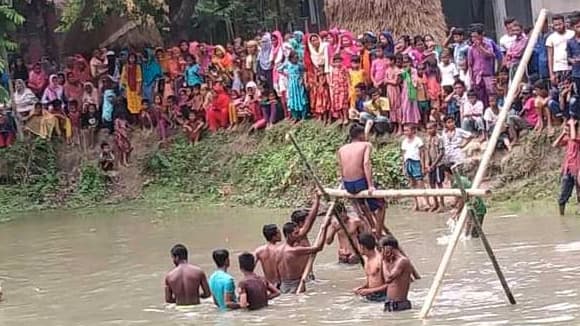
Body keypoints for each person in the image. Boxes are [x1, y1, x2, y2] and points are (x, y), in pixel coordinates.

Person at [337, 124, 386, 239]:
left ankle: (372, 226)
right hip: (360, 182)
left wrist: (343, 184)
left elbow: (341, 168)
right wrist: (370, 186)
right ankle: (378, 232)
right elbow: (366, 164)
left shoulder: (342, 149)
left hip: (348, 184)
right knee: (382, 205)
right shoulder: (366, 145)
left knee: (362, 204)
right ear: (360, 135)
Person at [277, 221, 328, 294]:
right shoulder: (294, 250)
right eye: (296, 233)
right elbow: (319, 248)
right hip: (296, 286)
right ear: (288, 235)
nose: (299, 235)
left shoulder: (277, 250)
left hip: (283, 286)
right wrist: (324, 229)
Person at [380, 235, 413, 312]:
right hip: (391, 304)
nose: (381, 252)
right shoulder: (393, 261)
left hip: (399, 304)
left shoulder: (402, 261)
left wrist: (383, 261)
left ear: (388, 248)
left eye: (382, 249)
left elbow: (388, 279)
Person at [553, 122, 580, 216]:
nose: (567, 132)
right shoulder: (568, 139)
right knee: (562, 198)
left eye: (568, 130)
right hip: (568, 170)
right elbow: (555, 145)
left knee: (579, 195)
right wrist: (563, 134)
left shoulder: (577, 139)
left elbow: (573, 138)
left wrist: (572, 124)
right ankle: (562, 216)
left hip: (577, 170)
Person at [450, 172, 487, 237]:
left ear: (447, 173)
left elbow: (461, 199)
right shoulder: (462, 179)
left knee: (473, 235)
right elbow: (459, 197)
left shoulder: (457, 183)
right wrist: (455, 205)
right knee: (468, 233)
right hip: (474, 207)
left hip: (477, 209)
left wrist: (457, 212)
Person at [353, 232, 387, 302]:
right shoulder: (366, 259)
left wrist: (369, 291)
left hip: (381, 296)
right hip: (370, 295)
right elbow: (371, 280)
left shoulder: (380, 260)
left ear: (362, 247)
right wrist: (362, 288)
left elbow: (390, 284)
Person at [401, 124, 427, 211]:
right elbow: (403, 154)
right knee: (412, 183)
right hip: (408, 162)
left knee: (420, 182)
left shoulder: (418, 140)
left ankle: (426, 202)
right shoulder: (404, 141)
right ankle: (416, 203)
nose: (405, 132)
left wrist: (423, 165)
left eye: (407, 130)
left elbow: (422, 154)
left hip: (416, 161)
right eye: (404, 130)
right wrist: (403, 166)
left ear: (413, 131)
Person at [546, 14, 575, 86]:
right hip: (558, 68)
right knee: (562, 91)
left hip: (572, 67)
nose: (558, 27)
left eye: (560, 24)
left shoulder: (572, 34)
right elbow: (550, 57)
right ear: (553, 25)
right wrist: (551, 74)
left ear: (564, 23)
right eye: (556, 25)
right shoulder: (550, 38)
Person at [425, 122, 446, 211]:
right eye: (428, 129)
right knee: (431, 184)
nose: (429, 130)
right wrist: (427, 164)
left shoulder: (440, 138)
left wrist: (434, 164)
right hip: (431, 165)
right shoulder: (428, 139)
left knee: (439, 183)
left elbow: (441, 153)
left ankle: (442, 204)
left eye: (431, 128)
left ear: (435, 128)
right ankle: (435, 203)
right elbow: (427, 152)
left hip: (438, 165)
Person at [121, 53, 143, 117]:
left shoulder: (138, 67)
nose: (132, 59)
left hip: (136, 86)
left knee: (138, 102)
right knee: (130, 103)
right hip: (128, 87)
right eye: (130, 58)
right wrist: (124, 88)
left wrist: (139, 87)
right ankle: (133, 118)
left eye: (133, 58)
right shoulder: (125, 67)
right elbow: (123, 77)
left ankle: (139, 118)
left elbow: (139, 77)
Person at [568, 17, 580, 94]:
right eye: (578, 27)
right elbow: (568, 57)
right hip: (577, 73)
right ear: (573, 28)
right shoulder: (570, 41)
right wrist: (572, 60)